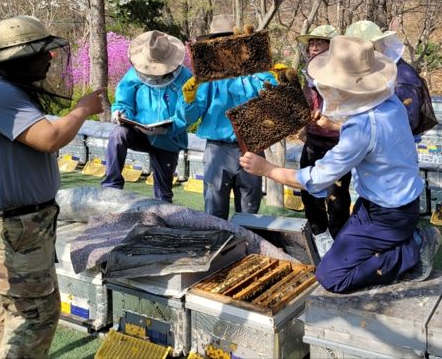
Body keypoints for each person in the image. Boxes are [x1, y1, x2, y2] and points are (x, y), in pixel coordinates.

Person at [240, 35, 441, 294]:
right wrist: (334, 124)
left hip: (389, 214)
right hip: (387, 203)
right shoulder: (390, 102)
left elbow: (316, 179)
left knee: (332, 276)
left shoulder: (362, 126)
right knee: (342, 252)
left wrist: (266, 170)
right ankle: (404, 241)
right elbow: (374, 135)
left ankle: (415, 246)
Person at [0, 16, 104, 358]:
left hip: (25, 226)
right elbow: (49, 137)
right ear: (18, 58)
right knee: (34, 316)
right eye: (41, 52)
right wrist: (83, 110)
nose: (50, 58)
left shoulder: (2, 92)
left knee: (18, 312)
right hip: (17, 229)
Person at [181, 15, 278, 220]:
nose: (223, 45)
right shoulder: (207, 78)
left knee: (249, 212)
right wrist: (188, 99)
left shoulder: (256, 72)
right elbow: (190, 117)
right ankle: (217, 250)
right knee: (214, 213)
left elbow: (274, 99)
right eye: (218, 40)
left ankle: (249, 250)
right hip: (218, 149)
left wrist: (269, 77)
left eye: (228, 39)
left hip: (252, 145)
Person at [102, 30, 192, 201]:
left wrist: (168, 129)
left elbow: (187, 112)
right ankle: (111, 186)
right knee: (118, 135)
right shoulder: (133, 74)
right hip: (138, 132)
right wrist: (120, 113)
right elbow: (123, 101)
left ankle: (162, 219)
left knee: (163, 194)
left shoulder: (186, 79)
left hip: (168, 139)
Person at [295, 24, 347, 257]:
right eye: (311, 43)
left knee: (337, 195)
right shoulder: (307, 72)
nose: (313, 47)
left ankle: (338, 238)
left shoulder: (343, 72)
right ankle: (319, 232)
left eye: (319, 42)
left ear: (332, 46)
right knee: (308, 189)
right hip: (314, 140)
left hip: (338, 141)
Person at [345, 20, 437, 137]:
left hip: (396, 143)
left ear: (374, 47)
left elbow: (408, 122)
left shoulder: (402, 80)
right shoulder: (380, 68)